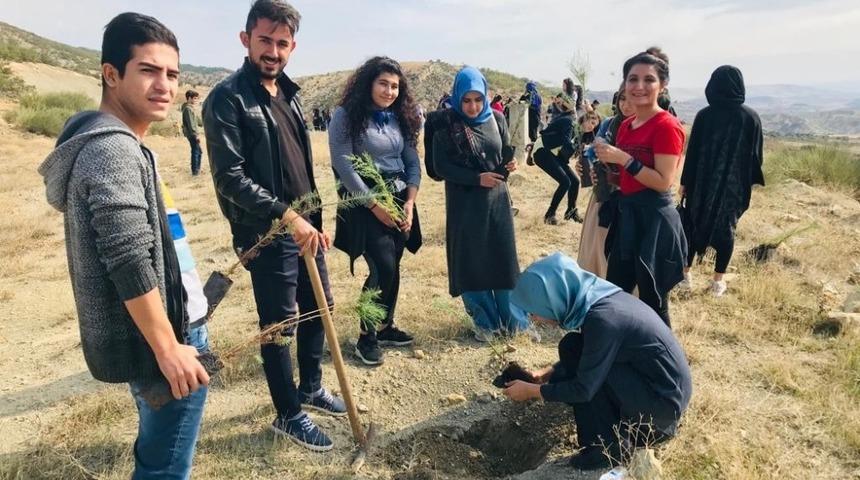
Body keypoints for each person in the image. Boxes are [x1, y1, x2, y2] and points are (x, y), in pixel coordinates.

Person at [39, 13, 210, 478]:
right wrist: (169, 347)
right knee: (164, 466)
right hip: (164, 337)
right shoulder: (111, 148)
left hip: (165, 327)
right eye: (148, 70)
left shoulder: (118, 142)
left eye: (172, 74)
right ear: (111, 74)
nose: (165, 86)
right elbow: (128, 256)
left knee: (157, 449)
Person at [203, 0, 345, 452]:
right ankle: (289, 414)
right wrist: (288, 216)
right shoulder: (226, 99)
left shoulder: (292, 94)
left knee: (317, 309)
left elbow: (300, 165)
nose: (274, 50)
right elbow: (230, 178)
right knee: (279, 324)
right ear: (246, 39)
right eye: (265, 40)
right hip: (267, 233)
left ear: (293, 47)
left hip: (307, 228)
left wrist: (313, 220)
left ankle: (311, 387)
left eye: (282, 43)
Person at [503, 253, 692, 471]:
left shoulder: (604, 320)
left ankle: (608, 449)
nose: (534, 318)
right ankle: (608, 432)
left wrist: (533, 391)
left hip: (660, 410)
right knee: (572, 346)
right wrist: (548, 373)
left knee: (585, 381)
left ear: (553, 298)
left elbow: (584, 389)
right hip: (658, 388)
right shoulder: (599, 298)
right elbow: (593, 352)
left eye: (535, 311)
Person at [328, 56, 422, 366]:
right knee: (381, 266)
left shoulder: (400, 117)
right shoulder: (345, 116)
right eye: (383, 83)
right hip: (364, 201)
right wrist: (374, 205)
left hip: (398, 198)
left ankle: (385, 326)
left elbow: (411, 161)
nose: (389, 91)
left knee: (394, 262)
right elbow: (343, 164)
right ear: (368, 83)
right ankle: (365, 336)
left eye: (395, 86)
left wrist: (409, 202)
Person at [432, 66, 528, 341]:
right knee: (472, 261)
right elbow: (441, 168)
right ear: (458, 98)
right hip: (465, 203)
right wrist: (476, 178)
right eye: (466, 100)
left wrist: (510, 165)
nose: (473, 106)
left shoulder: (497, 118)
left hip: (497, 200)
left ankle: (513, 322)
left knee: (503, 260)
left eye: (477, 99)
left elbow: (504, 155)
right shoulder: (446, 124)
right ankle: (486, 324)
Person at [594, 47, 687, 327]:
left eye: (649, 80)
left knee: (653, 303)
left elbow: (662, 181)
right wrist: (603, 167)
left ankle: (665, 366)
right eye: (632, 79)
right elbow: (626, 178)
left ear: (663, 85)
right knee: (616, 295)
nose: (639, 86)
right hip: (628, 216)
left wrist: (622, 158)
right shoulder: (627, 125)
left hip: (654, 221)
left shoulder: (667, 126)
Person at [679, 65, 764, 296]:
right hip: (733, 188)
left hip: (702, 183)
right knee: (727, 230)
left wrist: (685, 182)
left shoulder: (705, 115)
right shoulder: (750, 117)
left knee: (692, 225)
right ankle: (718, 281)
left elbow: (693, 153)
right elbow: (756, 158)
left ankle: (686, 275)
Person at [576, 87, 634, 278]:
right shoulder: (608, 124)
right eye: (622, 99)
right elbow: (593, 155)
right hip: (603, 196)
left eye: (632, 99)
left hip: (630, 201)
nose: (626, 105)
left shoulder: (646, 128)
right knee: (595, 250)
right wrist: (586, 167)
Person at [533, 93, 583, 225]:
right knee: (565, 182)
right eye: (559, 103)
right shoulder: (568, 120)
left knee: (575, 181)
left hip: (552, 153)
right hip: (542, 152)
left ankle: (571, 211)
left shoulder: (572, 122)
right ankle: (550, 214)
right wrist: (575, 150)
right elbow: (565, 141)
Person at [181, 89, 203, 175]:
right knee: (196, 151)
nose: (196, 100)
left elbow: (198, 121)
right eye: (194, 98)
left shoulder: (190, 108)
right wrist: (195, 134)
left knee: (198, 151)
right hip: (192, 134)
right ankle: (195, 172)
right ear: (189, 98)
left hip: (192, 134)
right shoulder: (188, 109)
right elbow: (190, 123)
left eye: (197, 98)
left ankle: (197, 170)